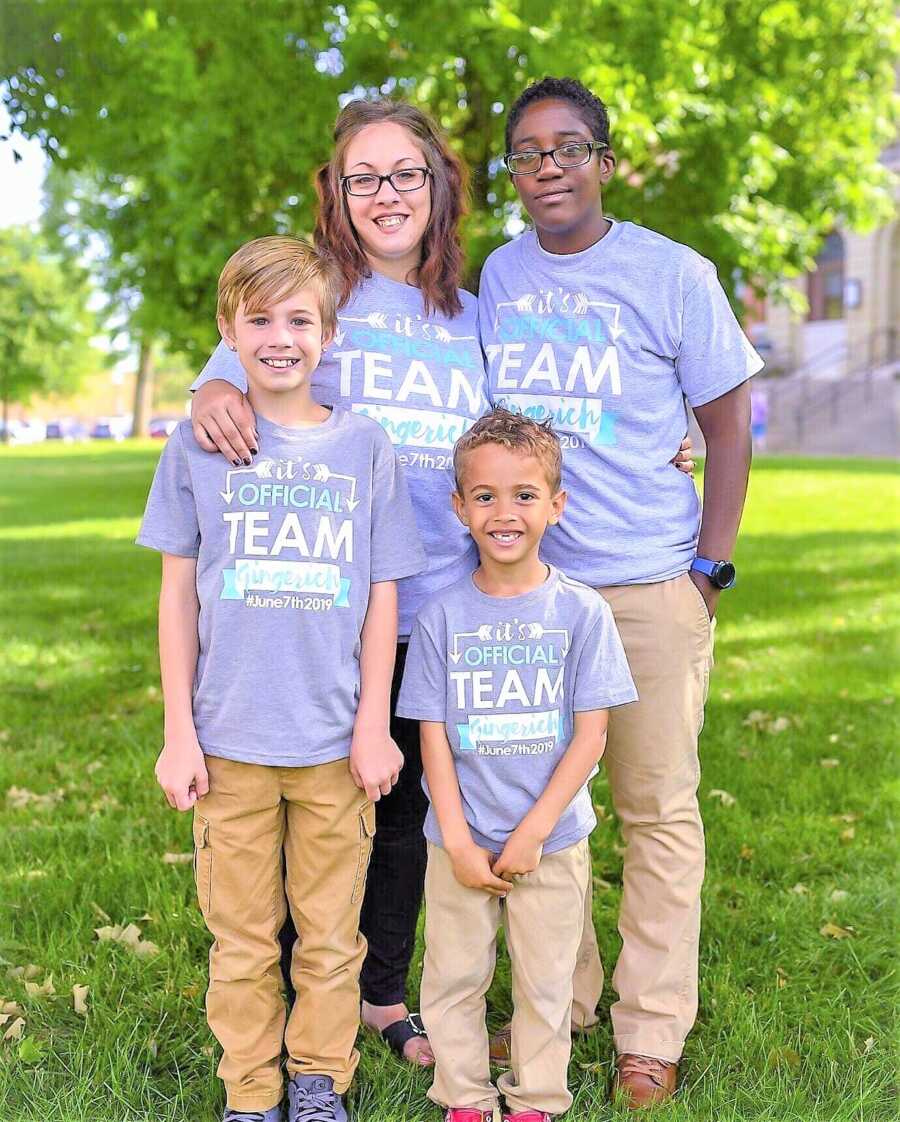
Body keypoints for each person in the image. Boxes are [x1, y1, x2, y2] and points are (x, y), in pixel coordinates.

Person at [187, 98, 695, 1070]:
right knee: (320, 807)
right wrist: (214, 387)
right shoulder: (320, 294)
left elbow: (544, 411)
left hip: (442, 612)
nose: (387, 194)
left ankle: (381, 991)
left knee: (409, 816)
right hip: (329, 613)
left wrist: (659, 437)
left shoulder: (472, 316)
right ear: (336, 194)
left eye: (406, 174)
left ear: (439, 187)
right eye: (364, 177)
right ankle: (296, 996)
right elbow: (245, 361)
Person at [478, 77, 762, 1108]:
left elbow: (727, 424)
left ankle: (651, 1028)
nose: (546, 167)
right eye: (526, 153)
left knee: (653, 811)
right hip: (536, 590)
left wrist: (708, 568)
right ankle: (562, 1004)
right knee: (546, 815)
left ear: (604, 160)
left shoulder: (673, 273)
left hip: (649, 583)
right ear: (513, 174)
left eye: (566, 148)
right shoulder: (498, 279)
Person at [137, 235, 424, 1122]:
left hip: (336, 746)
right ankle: (252, 1090)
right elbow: (177, 599)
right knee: (243, 939)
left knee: (331, 936)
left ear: (329, 334)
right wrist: (180, 735)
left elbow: (384, 597)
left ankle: (318, 1079)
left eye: (299, 318)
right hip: (228, 746)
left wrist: (375, 723)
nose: (279, 336)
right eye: (258, 318)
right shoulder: (196, 449)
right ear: (229, 330)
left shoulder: (363, 448)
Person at [397, 408, 638, 1122]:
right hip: (460, 842)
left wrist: (535, 829)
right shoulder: (441, 617)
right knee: (453, 975)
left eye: (525, 495)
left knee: (545, 980)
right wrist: (460, 836)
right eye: (485, 496)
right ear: (459, 507)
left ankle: (535, 1099)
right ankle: (465, 1097)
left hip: (552, 841)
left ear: (556, 506)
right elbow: (432, 737)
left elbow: (590, 736)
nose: (505, 513)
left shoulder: (582, 613)